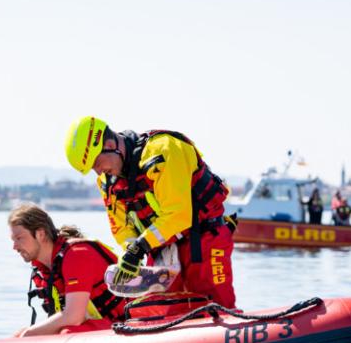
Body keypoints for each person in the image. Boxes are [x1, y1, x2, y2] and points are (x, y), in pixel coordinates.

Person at [64, 116, 236, 308]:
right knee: (163, 309)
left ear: (110, 144)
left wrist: (139, 248)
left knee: (217, 304)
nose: (98, 172)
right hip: (160, 247)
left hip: (203, 238)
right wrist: (131, 252)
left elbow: (178, 214)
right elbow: (120, 227)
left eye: (96, 163)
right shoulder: (107, 182)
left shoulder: (164, 150)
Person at [9, 203, 128, 336]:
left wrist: (29, 333)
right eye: (13, 240)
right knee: (22, 334)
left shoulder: (77, 254)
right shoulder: (46, 269)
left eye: (19, 238)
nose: (15, 247)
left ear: (40, 234)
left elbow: (74, 317)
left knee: (66, 333)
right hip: (103, 326)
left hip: (126, 324)